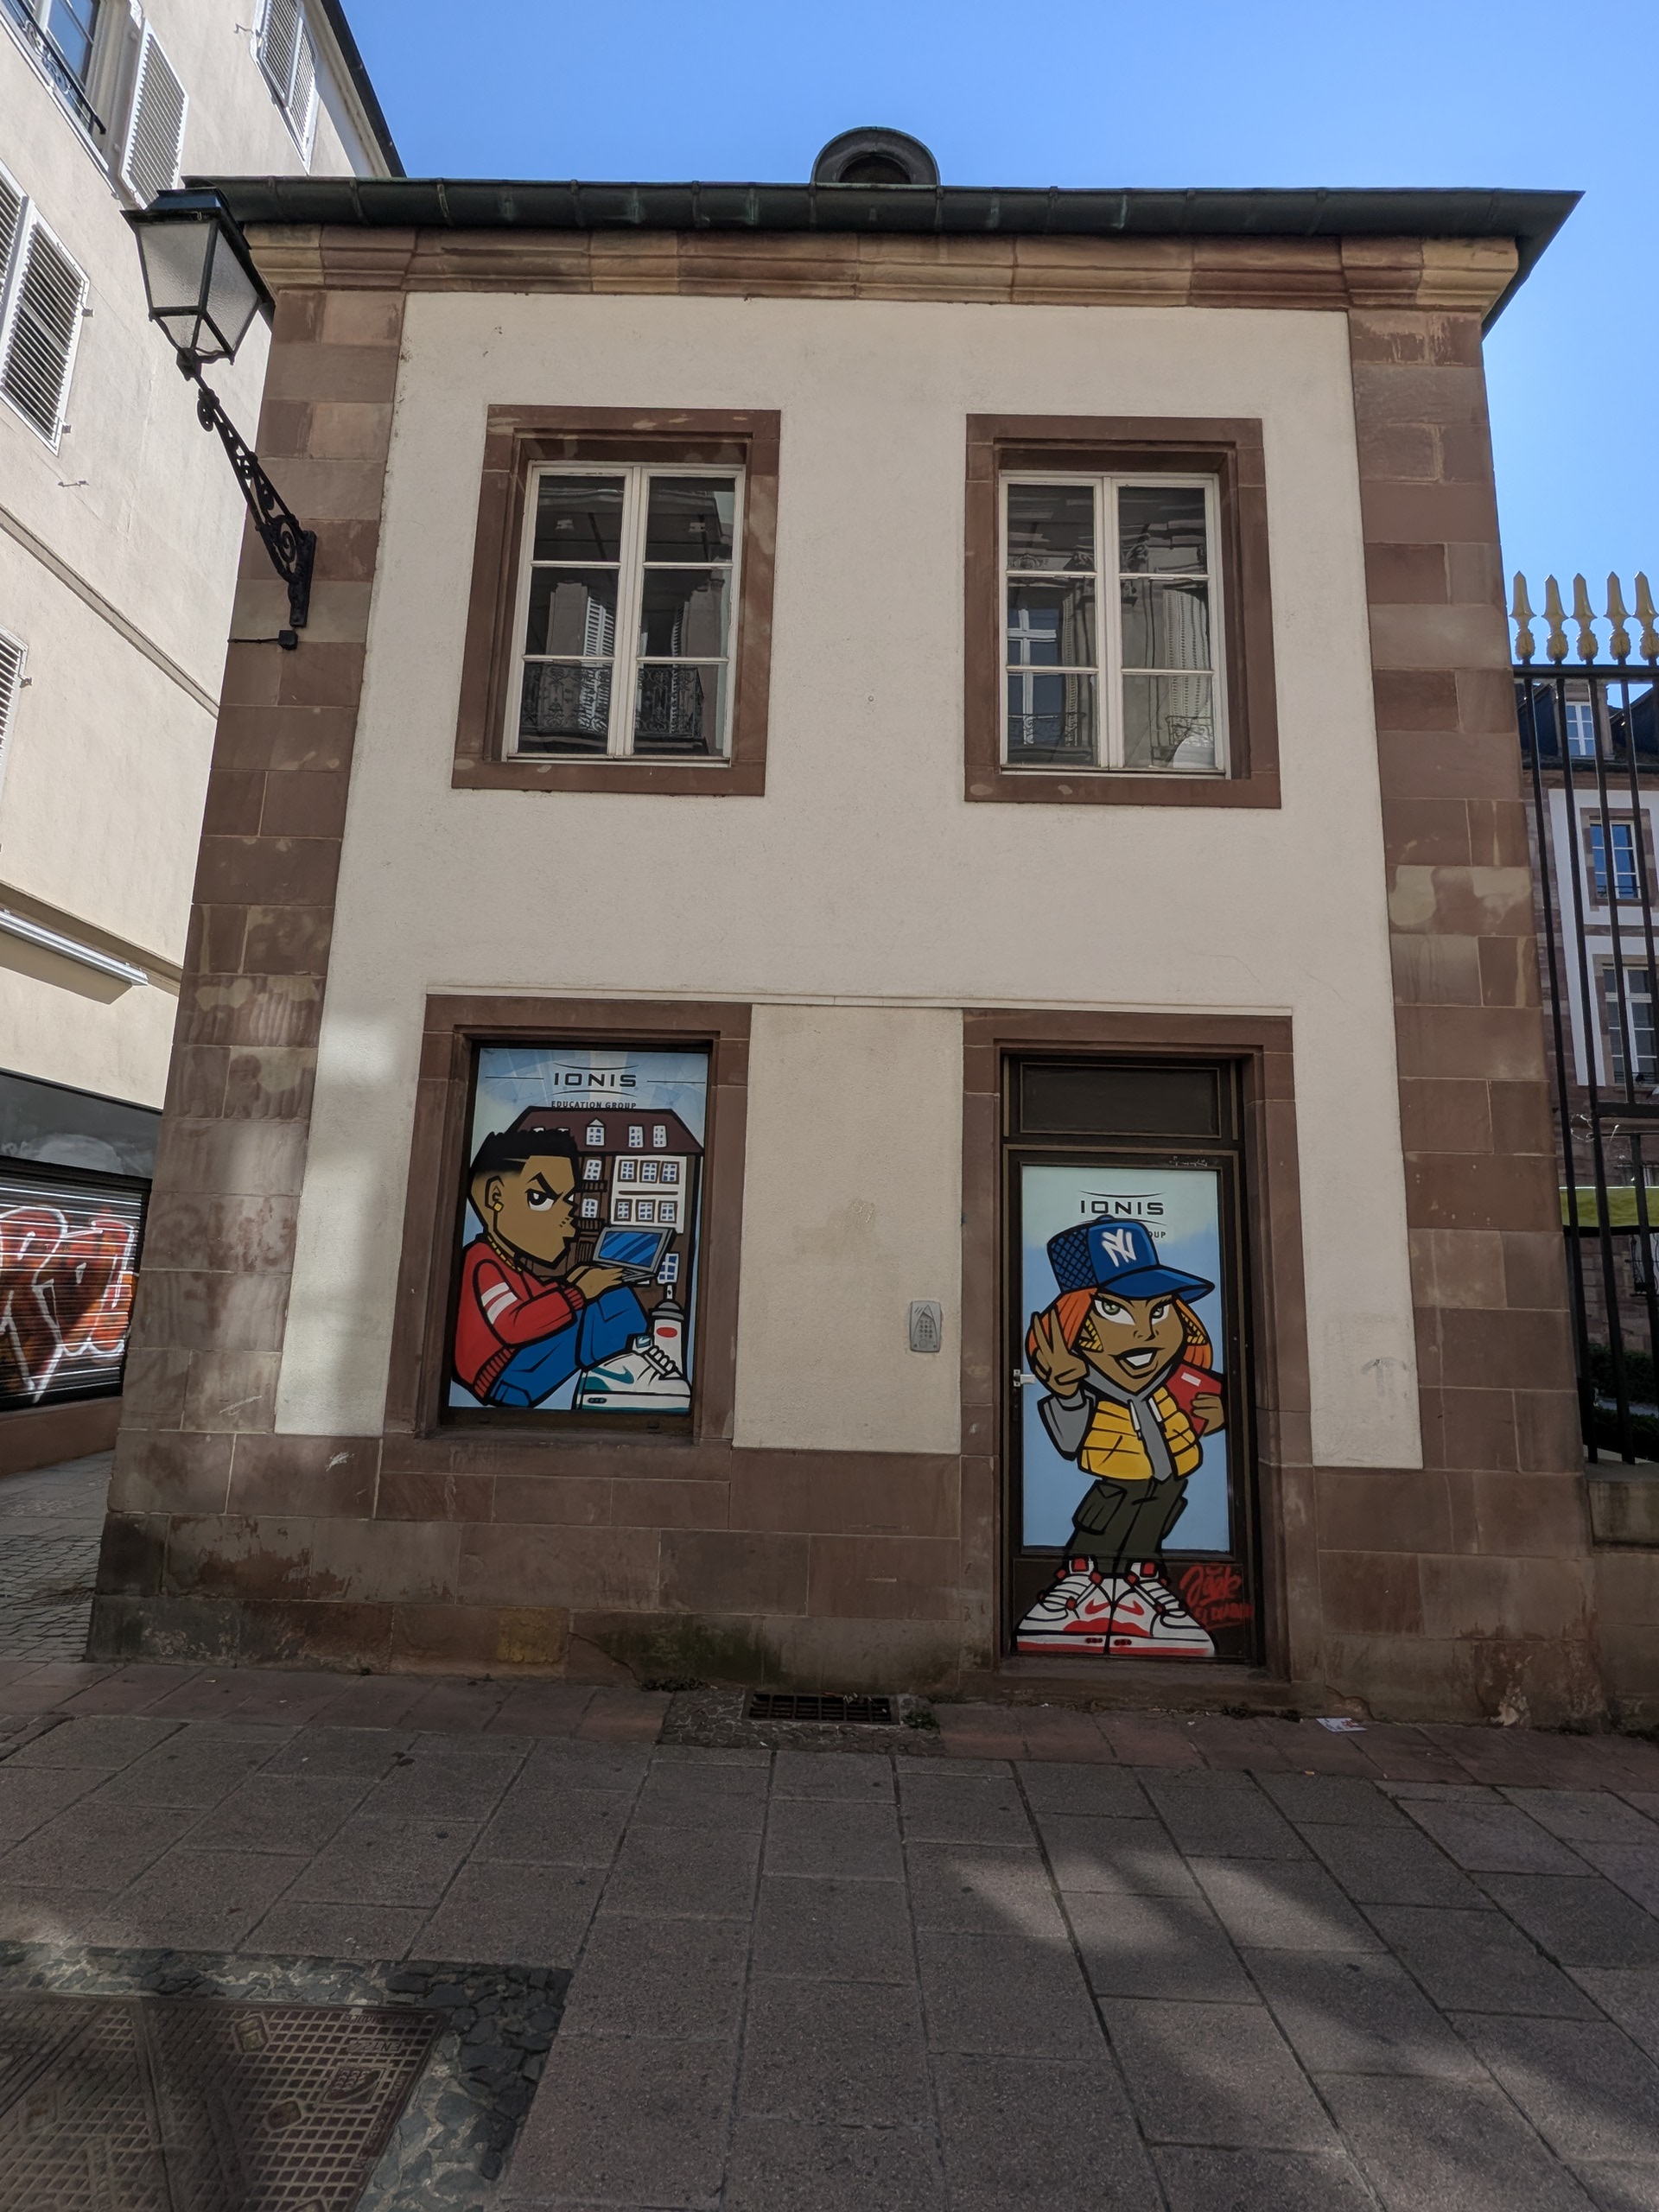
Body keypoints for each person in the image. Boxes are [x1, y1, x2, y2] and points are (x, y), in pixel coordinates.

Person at [1016, 1217, 1224, 1657]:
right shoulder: (1089, 1387)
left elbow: (1203, 1410)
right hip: (1115, 1480)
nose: (1145, 1332)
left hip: (1170, 1476)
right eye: (1114, 1311)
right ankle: (1079, 1584)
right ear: (1073, 1323)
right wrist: (1067, 1393)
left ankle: (1141, 1587)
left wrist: (1221, 1414)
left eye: (1160, 1310)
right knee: (1105, 1518)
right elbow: (1070, 1441)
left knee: (1156, 1514)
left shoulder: (1176, 1381)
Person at [454, 1122, 646, 1408]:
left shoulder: (509, 1263)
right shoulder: (483, 1261)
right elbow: (513, 1326)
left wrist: (574, 1283)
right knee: (608, 1302)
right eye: (539, 1198)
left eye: (567, 1199)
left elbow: (541, 1303)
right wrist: (578, 1293)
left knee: (608, 1295)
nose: (567, 1214)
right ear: (495, 1197)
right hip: (503, 1376)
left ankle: (629, 1363)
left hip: (519, 1366)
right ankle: (631, 1369)